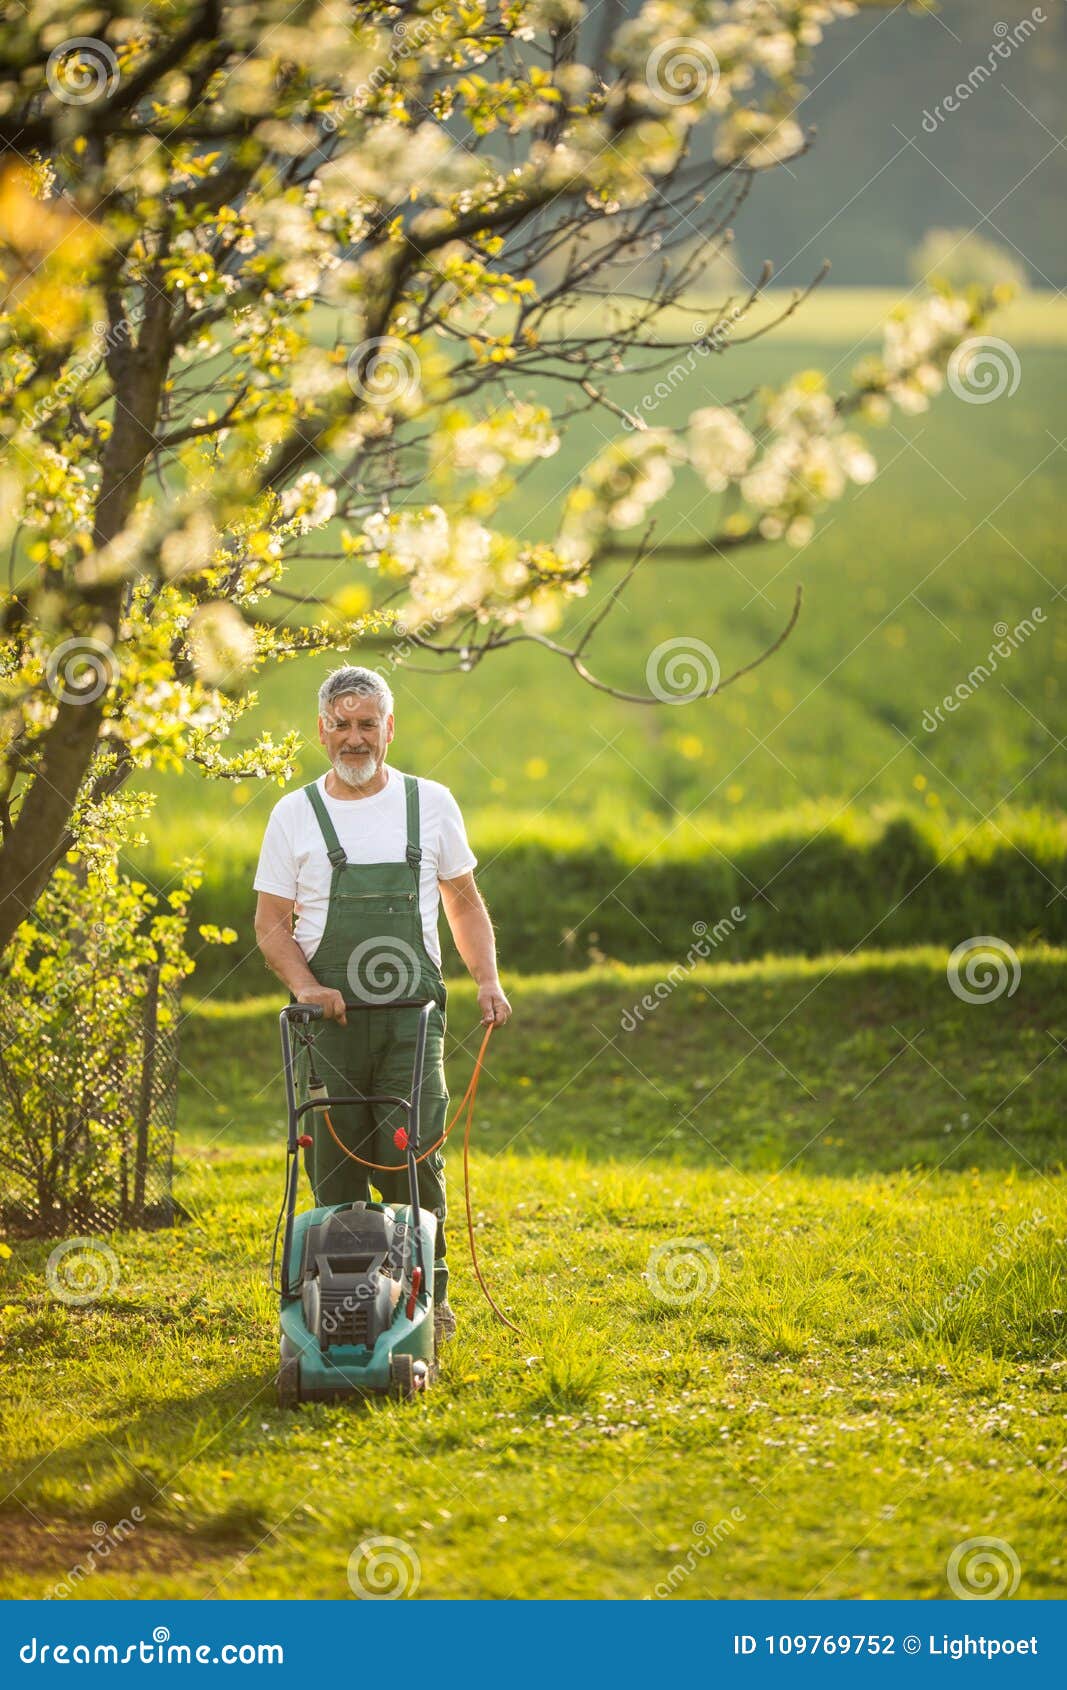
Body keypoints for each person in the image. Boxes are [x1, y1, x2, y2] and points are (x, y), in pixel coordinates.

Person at [253, 664, 511, 1347]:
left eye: (367, 723)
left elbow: (463, 903)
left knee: (412, 1155)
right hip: (327, 1025)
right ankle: (342, 1306)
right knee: (334, 1168)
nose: (354, 737)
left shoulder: (431, 803)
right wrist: (306, 987)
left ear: (389, 728)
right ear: (321, 731)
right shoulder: (294, 814)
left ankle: (430, 1298)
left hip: (411, 1021)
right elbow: (271, 922)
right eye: (341, 724)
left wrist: (486, 979)